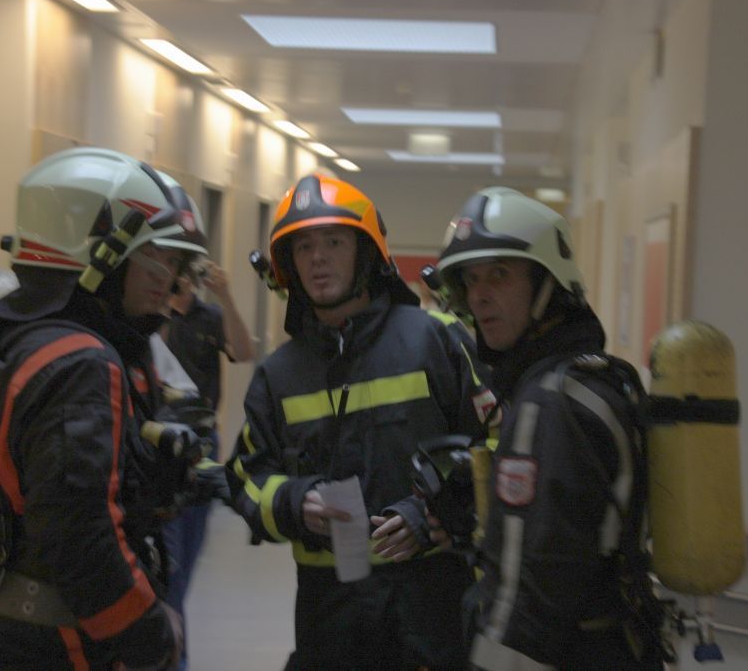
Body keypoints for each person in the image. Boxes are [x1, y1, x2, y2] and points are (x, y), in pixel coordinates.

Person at [0, 147, 210, 670]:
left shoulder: (8, 335)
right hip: (46, 644)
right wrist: (149, 635)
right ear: (104, 252)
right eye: (160, 257)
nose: (170, 279)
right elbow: (80, 536)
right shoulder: (81, 363)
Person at [225, 173, 496, 671]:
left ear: (366, 253)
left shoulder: (436, 340)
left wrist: (436, 512)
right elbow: (246, 478)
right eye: (303, 247)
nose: (318, 258)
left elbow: (499, 444)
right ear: (288, 264)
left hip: (431, 606)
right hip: (330, 615)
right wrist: (293, 501)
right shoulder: (278, 374)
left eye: (334, 242)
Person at [431, 187, 663, 670]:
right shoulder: (590, 377)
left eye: (499, 274)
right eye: (470, 279)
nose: (479, 295)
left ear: (546, 284)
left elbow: (532, 590)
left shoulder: (550, 403)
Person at [160, 258, 252, 668]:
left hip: (200, 446)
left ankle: (175, 655)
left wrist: (226, 296)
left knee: (182, 565)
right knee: (167, 566)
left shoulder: (210, 316)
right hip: (158, 445)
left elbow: (244, 352)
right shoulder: (154, 317)